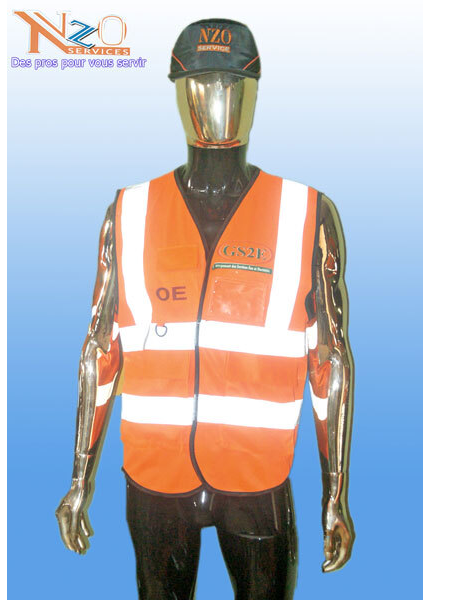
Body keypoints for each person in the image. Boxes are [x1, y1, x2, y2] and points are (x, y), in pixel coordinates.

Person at [56, 18, 356, 600]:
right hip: (154, 481)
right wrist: (78, 479)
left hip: (257, 482)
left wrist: (335, 494)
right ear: (179, 92)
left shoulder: (304, 213)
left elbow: (332, 365)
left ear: (252, 95)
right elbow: (99, 353)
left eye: (232, 84)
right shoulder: (130, 211)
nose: (216, 98)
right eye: (200, 83)